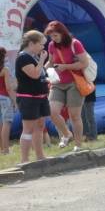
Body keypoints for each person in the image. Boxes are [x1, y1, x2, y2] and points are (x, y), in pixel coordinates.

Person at [43, 21, 90, 151]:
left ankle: (78, 144)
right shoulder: (52, 45)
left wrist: (65, 67)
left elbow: (84, 63)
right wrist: (42, 69)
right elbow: (51, 62)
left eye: (56, 36)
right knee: (52, 111)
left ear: (63, 33)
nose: (53, 39)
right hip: (57, 83)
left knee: (75, 116)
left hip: (74, 83)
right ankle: (67, 134)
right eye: (51, 36)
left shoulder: (75, 44)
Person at [14, 31, 51, 164]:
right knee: (28, 128)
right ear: (31, 44)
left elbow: (40, 75)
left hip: (40, 96)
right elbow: (34, 74)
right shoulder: (23, 58)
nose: (43, 48)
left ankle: (40, 156)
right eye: (41, 44)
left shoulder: (34, 57)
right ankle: (24, 160)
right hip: (28, 97)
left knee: (40, 126)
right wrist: (42, 60)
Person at [1, 46, 18, 154]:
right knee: (7, 123)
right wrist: (15, 101)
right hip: (4, 98)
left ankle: (2, 148)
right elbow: (8, 88)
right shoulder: (5, 70)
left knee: (1, 124)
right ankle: (6, 149)